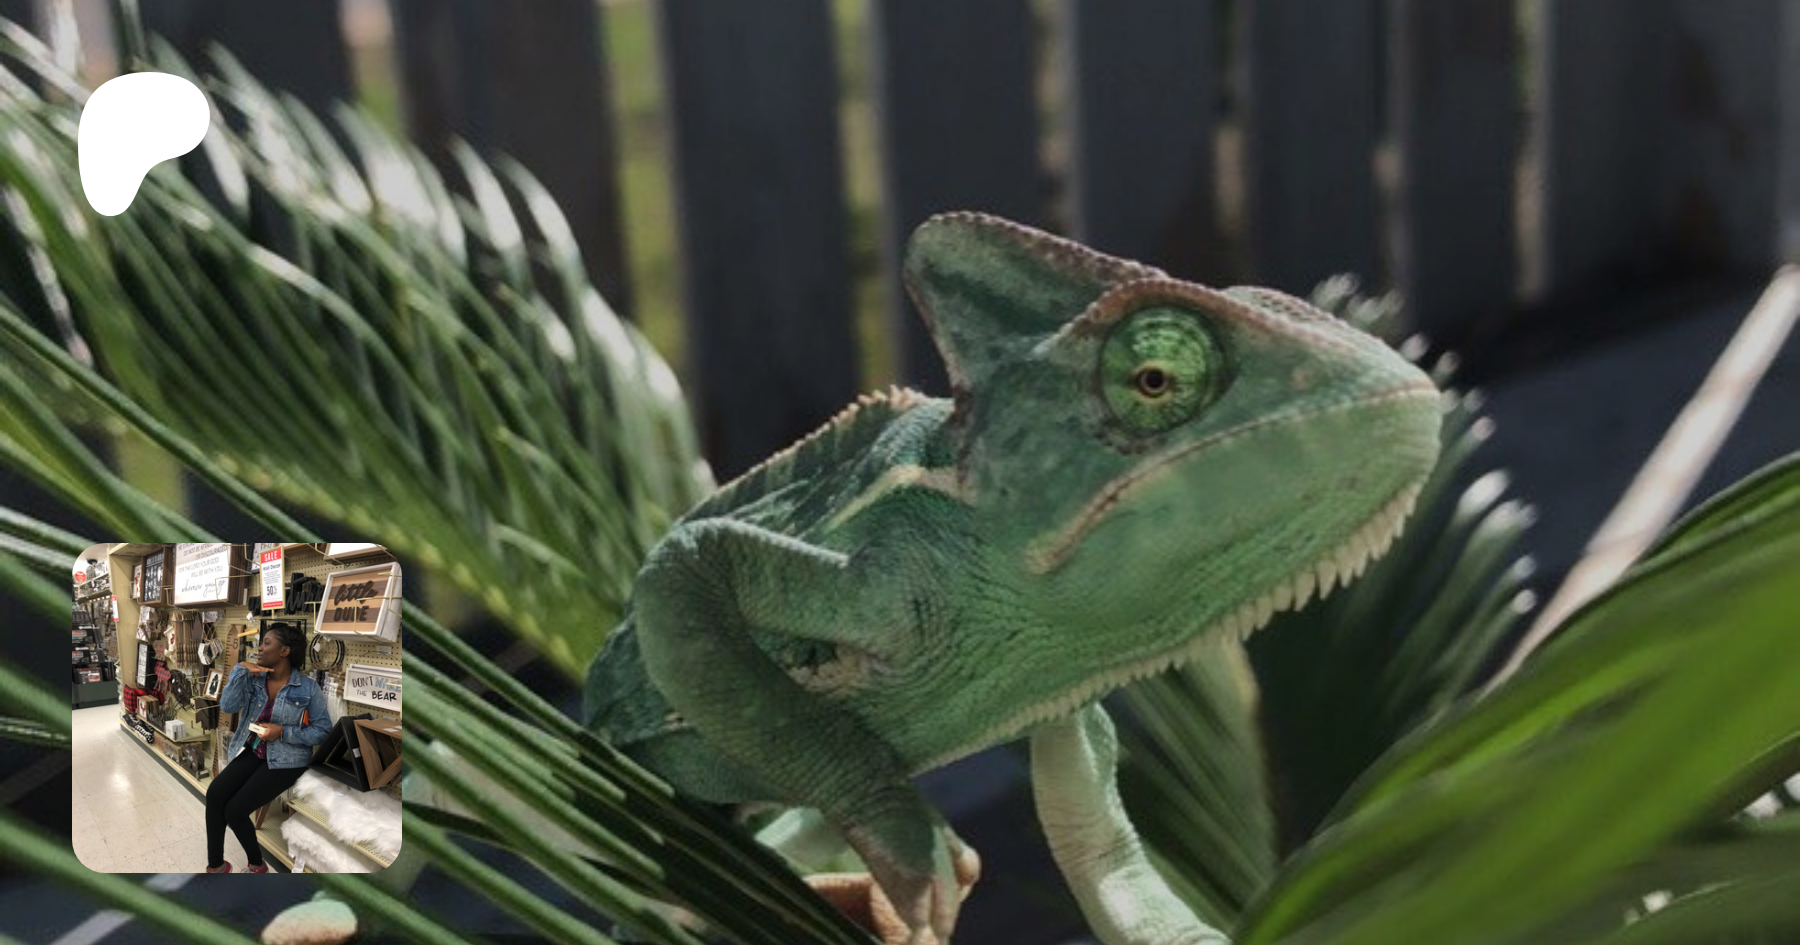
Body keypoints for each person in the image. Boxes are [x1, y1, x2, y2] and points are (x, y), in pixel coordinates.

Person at [202, 623, 332, 873]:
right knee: (215, 794)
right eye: (261, 642)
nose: (260, 647)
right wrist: (239, 670)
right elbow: (228, 707)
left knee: (235, 811)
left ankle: (257, 865)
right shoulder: (254, 679)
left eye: (267, 642)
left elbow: (323, 731)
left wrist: (282, 731)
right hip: (254, 750)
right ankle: (216, 867)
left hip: (288, 760)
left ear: (285, 651)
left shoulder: (308, 688)